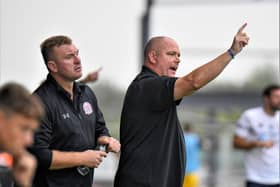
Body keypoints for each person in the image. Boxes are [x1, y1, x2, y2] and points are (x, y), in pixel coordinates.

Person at [114, 23, 249, 187]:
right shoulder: (147, 85)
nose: (178, 59)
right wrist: (231, 52)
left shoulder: (154, 88)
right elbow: (193, 82)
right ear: (153, 57)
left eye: (179, 55)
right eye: (171, 54)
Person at [29, 35, 121, 187]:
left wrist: (105, 139)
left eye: (77, 54)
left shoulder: (87, 93)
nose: (78, 60)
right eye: (69, 57)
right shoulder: (39, 102)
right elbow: (40, 155)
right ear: (53, 66)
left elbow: (100, 128)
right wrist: (82, 158)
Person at [233, 85, 280, 187]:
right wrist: (256, 143)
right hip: (256, 179)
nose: (279, 100)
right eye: (276, 97)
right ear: (266, 98)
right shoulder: (250, 115)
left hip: (277, 178)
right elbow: (236, 143)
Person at [0, 82, 44, 187]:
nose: (29, 141)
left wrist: (23, 183)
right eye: (24, 129)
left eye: (32, 131)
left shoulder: (9, 165)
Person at [183, 123, 201, 187]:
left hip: (182, 172)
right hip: (193, 171)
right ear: (191, 129)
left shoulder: (181, 138)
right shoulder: (195, 138)